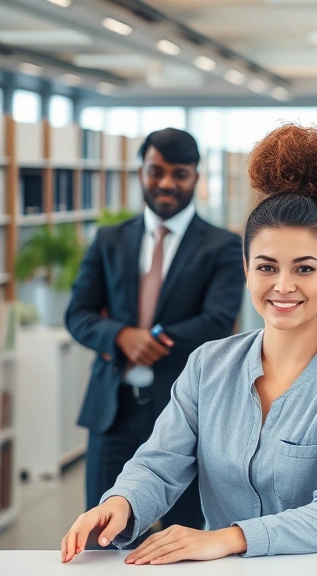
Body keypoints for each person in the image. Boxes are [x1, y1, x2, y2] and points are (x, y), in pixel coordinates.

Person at [60, 125, 317, 564]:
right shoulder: (208, 365)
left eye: (305, 269)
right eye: (267, 267)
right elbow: (159, 464)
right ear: (246, 268)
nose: (284, 286)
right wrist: (121, 503)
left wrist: (229, 537)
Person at [65, 128, 244, 534]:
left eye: (179, 173)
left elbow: (218, 320)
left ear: (196, 177)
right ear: (141, 172)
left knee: (183, 534)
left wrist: (153, 339)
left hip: (185, 413)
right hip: (113, 411)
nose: (166, 183)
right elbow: (79, 313)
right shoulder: (109, 239)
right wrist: (121, 336)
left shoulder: (222, 246)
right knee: (103, 533)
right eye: (155, 171)